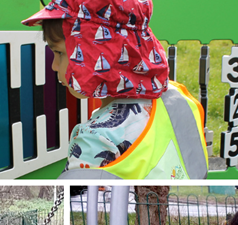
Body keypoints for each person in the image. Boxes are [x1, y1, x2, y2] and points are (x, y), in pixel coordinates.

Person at [21, 0, 208, 179]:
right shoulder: (181, 99)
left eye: (59, 53)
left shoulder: (96, 139)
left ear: (95, 53)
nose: (54, 66)